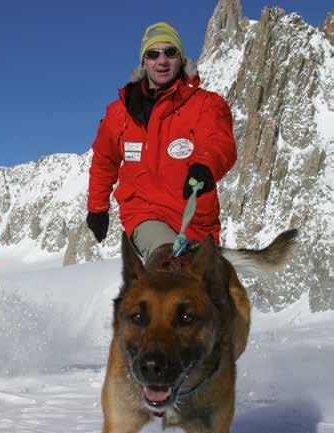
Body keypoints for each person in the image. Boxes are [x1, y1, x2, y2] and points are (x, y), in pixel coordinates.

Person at [86, 22, 237, 261]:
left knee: (205, 293)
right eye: (153, 54)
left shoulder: (206, 104)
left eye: (170, 52)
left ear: (181, 58)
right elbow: (104, 161)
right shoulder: (120, 113)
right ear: (144, 62)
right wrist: (97, 208)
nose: (162, 61)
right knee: (169, 265)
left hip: (196, 223)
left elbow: (218, 141)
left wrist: (205, 166)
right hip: (146, 215)